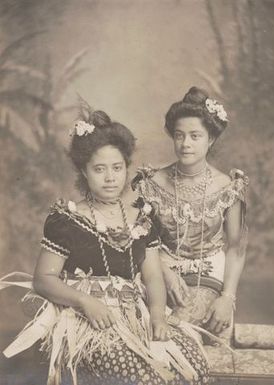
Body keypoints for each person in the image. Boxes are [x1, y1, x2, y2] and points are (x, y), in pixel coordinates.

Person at [1, 103, 209, 385]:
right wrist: (85, 302)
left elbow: (152, 276)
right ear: (84, 172)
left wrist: (158, 314)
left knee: (193, 365)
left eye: (117, 168)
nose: (110, 178)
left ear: (126, 168)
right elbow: (43, 279)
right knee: (145, 377)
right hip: (90, 321)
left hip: (137, 316)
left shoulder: (141, 217)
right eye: (99, 169)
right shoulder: (68, 219)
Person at [132, 86, 248, 340]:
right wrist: (164, 270)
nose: (185, 144)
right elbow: (138, 239)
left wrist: (227, 298)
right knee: (135, 323)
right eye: (179, 135)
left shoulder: (227, 188)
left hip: (206, 277)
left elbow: (236, 247)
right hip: (156, 271)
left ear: (211, 139)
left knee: (175, 331)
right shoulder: (151, 183)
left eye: (195, 136)